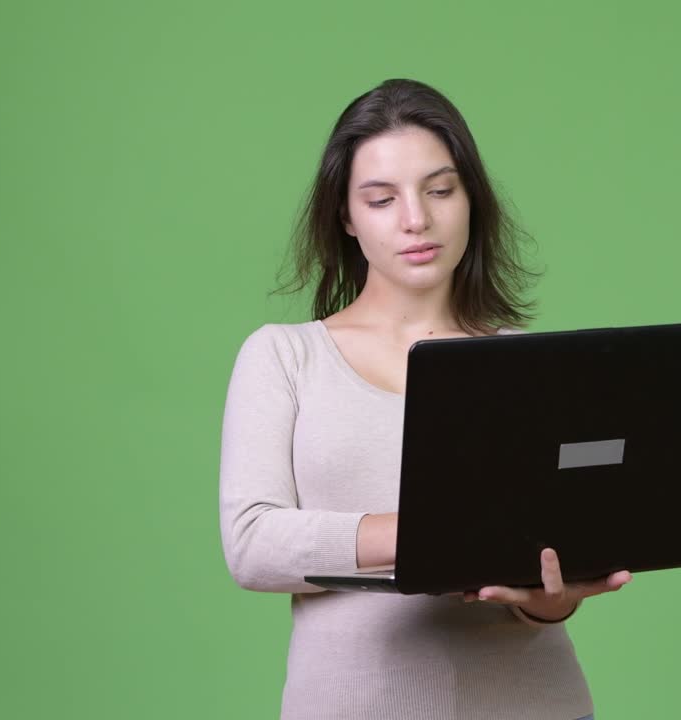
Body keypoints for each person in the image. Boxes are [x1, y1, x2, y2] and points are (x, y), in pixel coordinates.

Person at [218, 78, 632, 720]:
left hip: (530, 698)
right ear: (346, 217)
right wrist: (425, 533)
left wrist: (550, 598)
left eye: (440, 190)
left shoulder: (529, 363)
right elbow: (252, 541)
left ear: (471, 200)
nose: (417, 218)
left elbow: (547, 548)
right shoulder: (284, 356)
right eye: (381, 199)